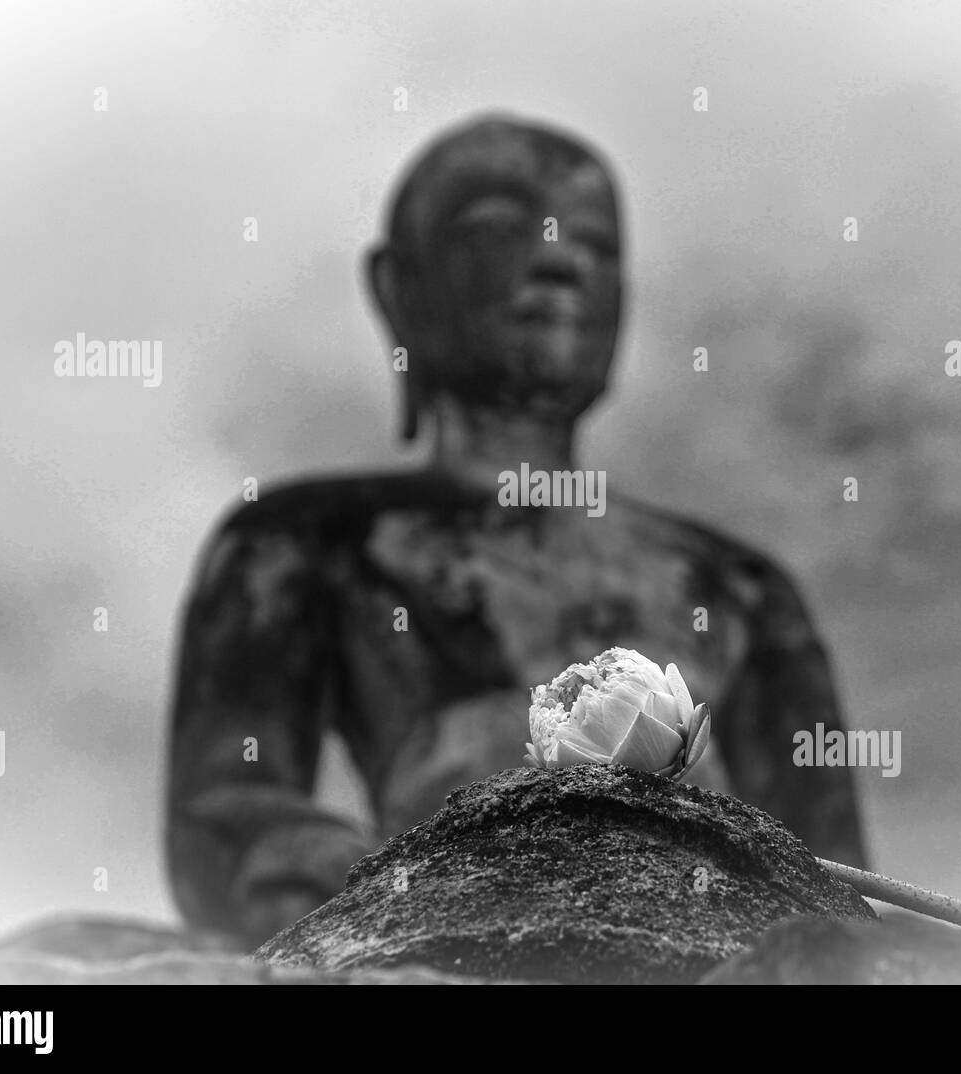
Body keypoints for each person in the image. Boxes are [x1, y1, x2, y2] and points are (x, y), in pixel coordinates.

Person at [166, 114, 868, 948]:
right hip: (431, 939)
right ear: (398, 289)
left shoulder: (739, 588)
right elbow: (223, 814)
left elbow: (835, 878)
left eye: (600, 247)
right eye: (497, 229)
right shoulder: (302, 540)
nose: (560, 259)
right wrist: (365, 877)